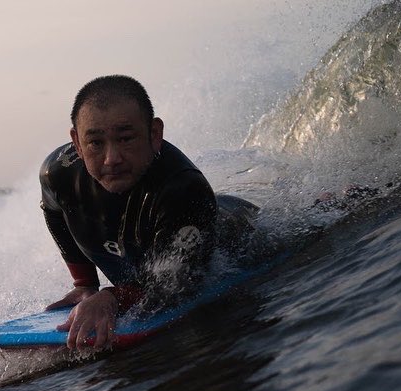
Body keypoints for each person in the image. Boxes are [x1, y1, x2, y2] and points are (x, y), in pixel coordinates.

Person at [40, 75, 257, 350]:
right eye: (95, 143)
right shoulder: (58, 174)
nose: (111, 158)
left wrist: (111, 298)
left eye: (125, 138)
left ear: (154, 134)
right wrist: (85, 284)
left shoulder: (184, 189)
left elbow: (175, 283)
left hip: (239, 230)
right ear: (77, 143)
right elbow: (53, 210)